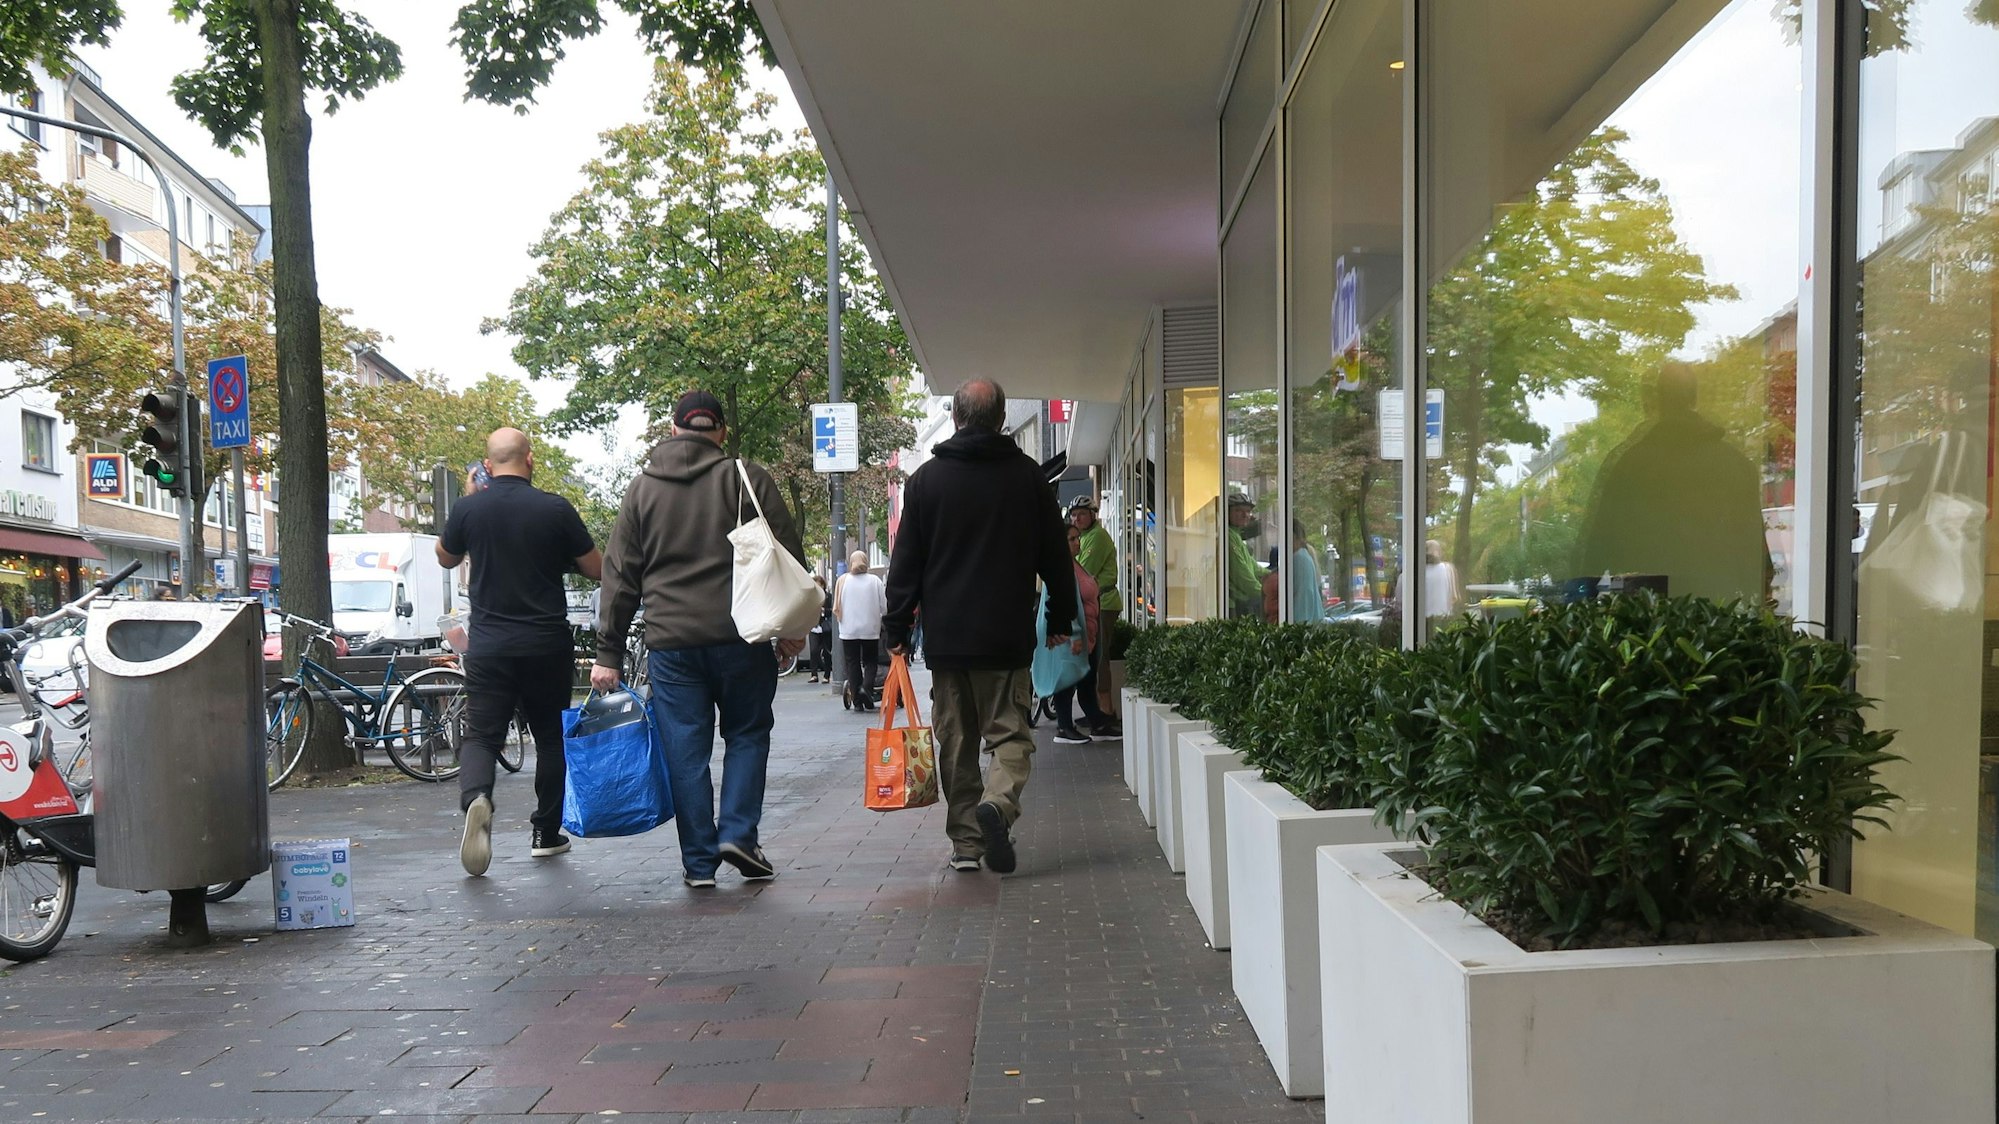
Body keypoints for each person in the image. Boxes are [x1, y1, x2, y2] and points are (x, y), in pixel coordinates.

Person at [592, 390, 807, 889]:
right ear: (722, 434)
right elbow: (786, 555)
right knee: (748, 733)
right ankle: (738, 834)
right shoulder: (747, 478)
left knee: (685, 753)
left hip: (672, 646)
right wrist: (792, 628)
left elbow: (619, 576)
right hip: (743, 636)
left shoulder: (641, 490)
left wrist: (609, 653)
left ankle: (699, 864)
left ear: (672, 431)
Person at [882, 378, 1074, 875]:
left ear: (956, 416)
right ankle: (999, 804)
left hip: (947, 642)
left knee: (957, 742)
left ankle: (966, 844)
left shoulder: (925, 481)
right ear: (1002, 418)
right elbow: (1055, 557)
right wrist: (1057, 618)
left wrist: (897, 629)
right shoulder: (1028, 478)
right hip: (1006, 639)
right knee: (1011, 737)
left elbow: (906, 564)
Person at [437, 427, 602, 877]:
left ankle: (477, 799)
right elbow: (597, 568)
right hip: (545, 643)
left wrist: (470, 499)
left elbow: (444, 557)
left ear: (487, 466)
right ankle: (545, 834)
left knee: (482, 735)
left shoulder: (469, 509)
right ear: (530, 460)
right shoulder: (554, 508)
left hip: (490, 646)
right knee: (550, 737)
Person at [1052, 522, 1114, 745]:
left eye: (1078, 538)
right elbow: (1063, 604)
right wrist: (1075, 635)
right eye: (1072, 539)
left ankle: (1097, 721)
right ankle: (1064, 727)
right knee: (1067, 681)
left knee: (1087, 680)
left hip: (1088, 634)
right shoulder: (1060, 568)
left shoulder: (1075, 565)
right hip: (1073, 637)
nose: (1078, 542)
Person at [1067, 496, 1122, 734]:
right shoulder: (1084, 537)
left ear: (1092, 515)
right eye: (1073, 515)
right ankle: (1096, 712)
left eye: (1081, 514)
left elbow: (1083, 569)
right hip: (1092, 604)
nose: (1076, 518)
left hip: (1104, 603)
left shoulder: (1097, 537)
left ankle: (1107, 712)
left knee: (1100, 659)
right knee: (1093, 659)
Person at [834, 551, 885, 710]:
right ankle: (866, 690)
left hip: (848, 630)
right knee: (870, 661)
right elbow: (884, 606)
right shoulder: (875, 581)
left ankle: (857, 701)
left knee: (852, 663)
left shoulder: (843, 580)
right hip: (870, 629)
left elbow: (838, 605)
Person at [1225, 493, 1264, 618]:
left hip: (1240, 602)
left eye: (1248, 511)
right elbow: (1241, 574)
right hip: (1233, 605)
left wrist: (1276, 575)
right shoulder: (1229, 536)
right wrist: (1265, 593)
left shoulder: (1236, 536)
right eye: (1238, 511)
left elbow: (1254, 567)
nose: (1245, 515)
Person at [1291, 520, 1325, 623]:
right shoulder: (1304, 556)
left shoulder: (1299, 559)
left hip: (1304, 623)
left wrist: (1298, 627)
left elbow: (1304, 595)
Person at [806, 573, 833, 685]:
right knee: (813, 651)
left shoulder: (829, 596)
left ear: (823, 585)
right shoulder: (810, 597)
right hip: (814, 627)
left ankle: (827, 675)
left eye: (819, 585)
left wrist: (823, 611)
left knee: (827, 652)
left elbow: (832, 610)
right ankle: (814, 674)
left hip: (825, 628)